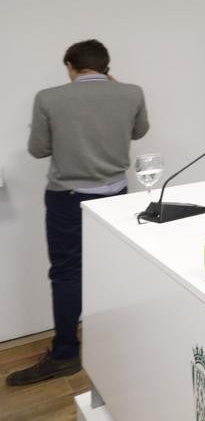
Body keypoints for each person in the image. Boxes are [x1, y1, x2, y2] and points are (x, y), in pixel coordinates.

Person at [8, 40, 149, 386]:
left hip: (68, 198)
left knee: (68, 273)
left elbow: (38, 149)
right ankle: (116, 342)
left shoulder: (48, 98)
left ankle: (65, 354)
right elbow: (140, 130)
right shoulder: (131, 92)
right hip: (116, 195)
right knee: (112, 269)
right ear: (106, 67)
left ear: (70, 65)